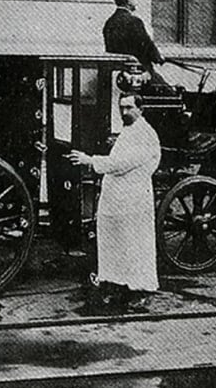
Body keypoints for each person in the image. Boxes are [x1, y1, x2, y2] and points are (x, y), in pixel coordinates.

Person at [68, 93, 162, 311]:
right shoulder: (130, 131)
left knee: (134, 246)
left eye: (129, 107)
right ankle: (118, 286)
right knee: (115, 245)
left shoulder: (145, 134)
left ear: (141, 109)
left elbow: (122, 163)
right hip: (118, 200)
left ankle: (140, 292)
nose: (124, 112)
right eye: (122, 107)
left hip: (133, 201)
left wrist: (90, 160)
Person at [102, 0, 169, 86]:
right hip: (138, 73)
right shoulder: (134, 22)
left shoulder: (109, 23)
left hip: (116, 76)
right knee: (171, 94)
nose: (135, 2)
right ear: (128, 0)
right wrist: (158, 58)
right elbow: (146, 45)